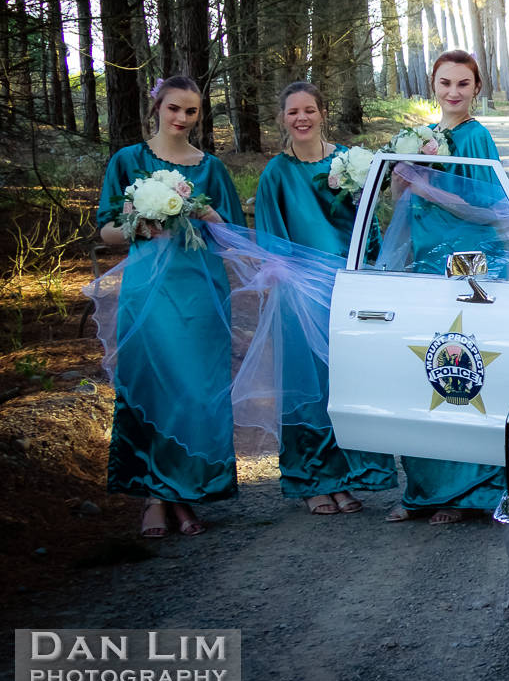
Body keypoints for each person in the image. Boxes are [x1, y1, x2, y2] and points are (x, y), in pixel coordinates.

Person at [93, 75, 245, 538]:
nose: (181, 119)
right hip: (150, 294)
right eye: (174, 108)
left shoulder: (211, 168)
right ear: (156, 106)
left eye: (191, 111)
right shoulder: (128, 161)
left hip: (200, 291)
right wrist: (142, 222)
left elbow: (233, 237)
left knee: (197, 393)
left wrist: (206, 214)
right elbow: (106, 231)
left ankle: (189, 491)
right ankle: (156, 499)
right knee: (153, 388)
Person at [254, 81, 398, 515]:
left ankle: (348, 478)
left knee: (347, 379)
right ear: (283, 118)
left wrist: (370, 267)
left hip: (346, 285)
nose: (302, 118)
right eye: (293, 111)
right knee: (309, 386)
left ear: (322, 113)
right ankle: (314, 479)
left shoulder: (348, 162)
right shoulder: (276, 173)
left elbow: (368, 223)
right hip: (298, 291)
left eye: (310, 110)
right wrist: (285, 276)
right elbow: (269, 236)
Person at [385, 50, 509, 525]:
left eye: (463, 83)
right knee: (424, 364)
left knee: (463, 367)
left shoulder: (476, 137)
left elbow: (486, 207)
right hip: (424, 257)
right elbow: (400, 198)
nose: (453, 92)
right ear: (432, 87)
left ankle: (467, 491)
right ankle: (425, 488)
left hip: (466, 259)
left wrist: (427, 183)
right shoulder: (421, 137)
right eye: (445, 83)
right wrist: (405, 178)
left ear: (476, 88)